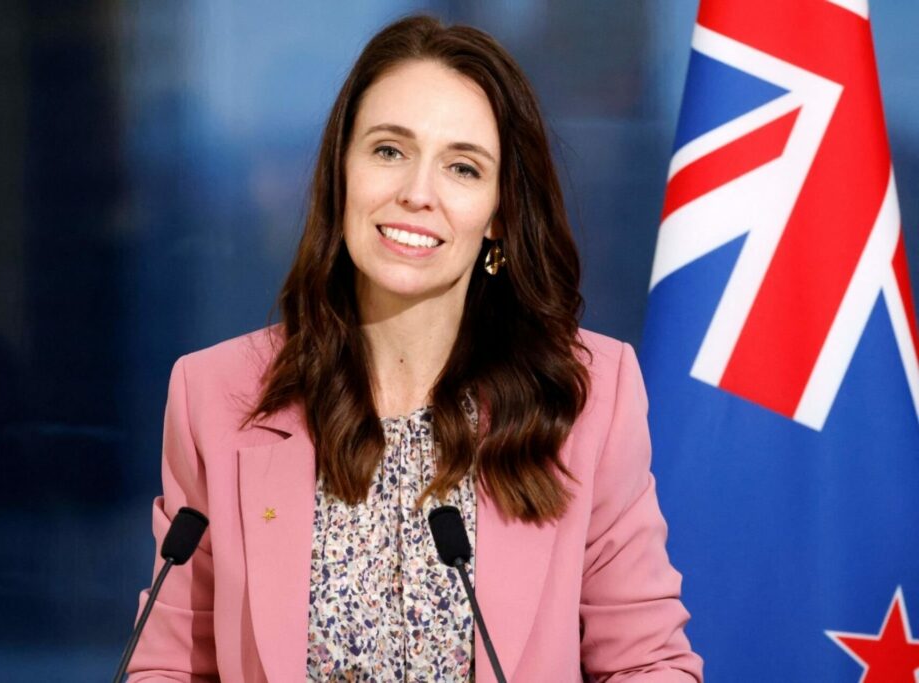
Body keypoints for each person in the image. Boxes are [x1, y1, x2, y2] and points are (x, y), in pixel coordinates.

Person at [127, 14, 703, 682]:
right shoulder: (216, 395)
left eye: (462, 167)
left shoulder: (588, 398)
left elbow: (648, 663)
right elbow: (167, 664)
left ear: (499, 215)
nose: (416, 193)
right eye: (389, 150)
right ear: (342, 173)